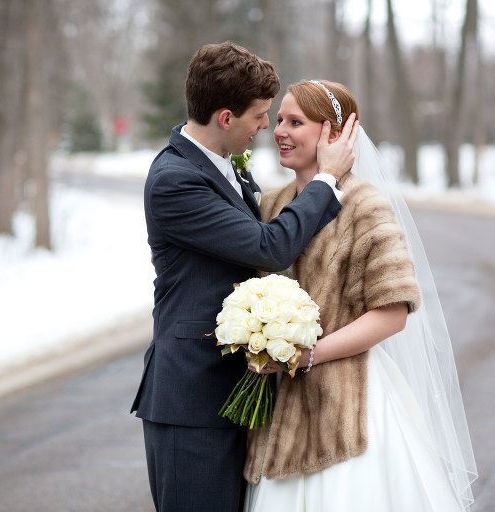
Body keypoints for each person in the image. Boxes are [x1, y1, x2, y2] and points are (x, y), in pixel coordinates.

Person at [129, 44, 359, 512]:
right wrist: (327, 179)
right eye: (259, 115)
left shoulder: (227, 167)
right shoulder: (175, 179)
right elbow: (269, 248)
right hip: (191, 401)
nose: (267, 126)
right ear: (226, 117)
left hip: (238, 395)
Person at [243, 80, 478, 511]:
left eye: (295, 122)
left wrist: (308, 355)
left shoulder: (366, 206)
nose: (279, 131)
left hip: (349, 405)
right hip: (280, 410)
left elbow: (392, 313)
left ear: (333, 134)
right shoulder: (269, 206)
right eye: (279, 120)